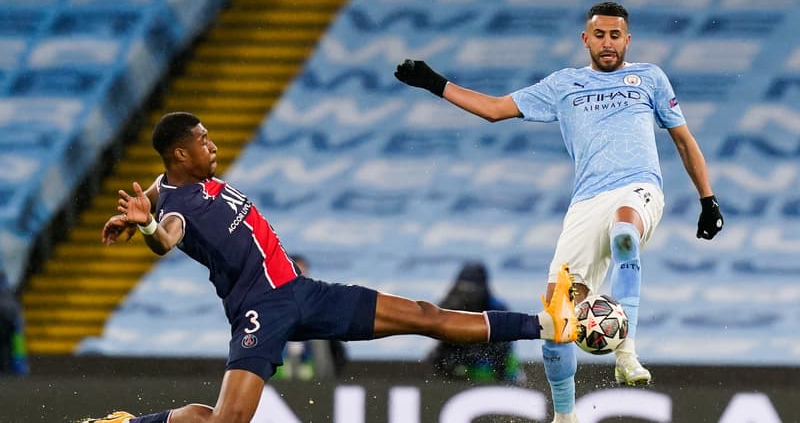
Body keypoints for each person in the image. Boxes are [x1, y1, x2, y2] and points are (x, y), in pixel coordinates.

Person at [86, 111, 578, 423]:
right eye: (203, 139)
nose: (212, 145)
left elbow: (160, 188)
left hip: (302, 291)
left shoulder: (169, 183)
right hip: (260, 311)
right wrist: (148, 227)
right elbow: (166, 238)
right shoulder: (176, 211)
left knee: (424, 315)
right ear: (181, 154)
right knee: (226, 421)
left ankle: (546, 323)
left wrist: (137, 212)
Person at [394, 1, 723, 423]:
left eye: (615, 35)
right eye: (600, 35)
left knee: (625, 234)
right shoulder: (564, 85)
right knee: (556, 316)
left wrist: (707, 199)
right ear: (586, 39)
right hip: (586, 203)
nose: (608, 43)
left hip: (638, 188)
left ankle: (626, 353)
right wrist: (434, 83)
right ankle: (564, 416)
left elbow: (683, 140)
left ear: (628, 39)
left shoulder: (650, 78)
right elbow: (496, 110)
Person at [427, 261, 524, 384]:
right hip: (461, 357)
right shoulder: (450, 302)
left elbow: (504, 346)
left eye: (472, 289)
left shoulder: (497, 307)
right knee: (437, 355)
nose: (467, 294)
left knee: (506, 359)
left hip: (490, 359)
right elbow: (436, 325)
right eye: (463, 287)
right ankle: (442, 386)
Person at [273, 253, 348, 381]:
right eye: (295, 271)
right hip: (276, 381)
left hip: (316, 380)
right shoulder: (268, 306)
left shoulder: (320, 306)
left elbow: (336, 350)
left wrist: (330, 377)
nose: (299, 277)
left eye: (302, 271)